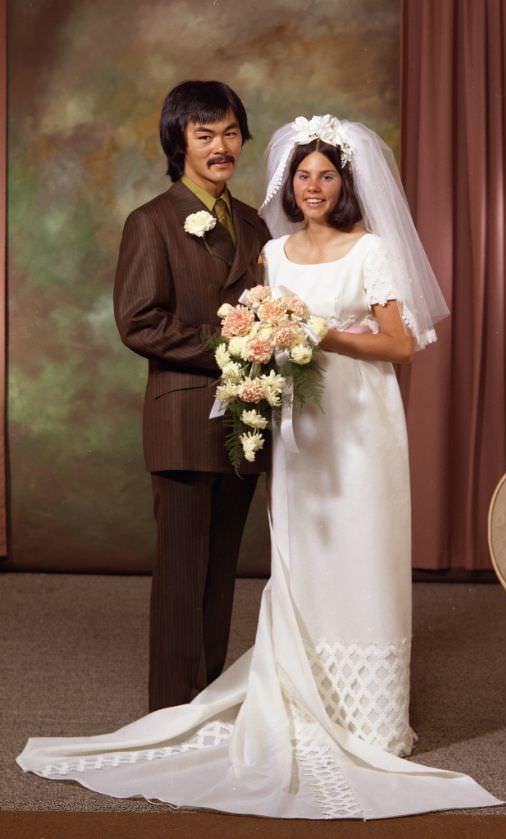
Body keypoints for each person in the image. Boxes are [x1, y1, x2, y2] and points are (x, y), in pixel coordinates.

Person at [17, 116, 502, 819]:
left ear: (346, 183)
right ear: (288, 182)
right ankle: (295, 693)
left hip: (360, 428)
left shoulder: (370, 251)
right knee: (300, 558)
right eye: (303, 175)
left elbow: (400, 344)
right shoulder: (270, 253)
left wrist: (315, 331)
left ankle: (367, 716)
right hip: (299, 431)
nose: (313, 186)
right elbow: (242, 328)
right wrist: (262, 338)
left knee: (361, 552)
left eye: (326, 175)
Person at [113, 80, 270, 711]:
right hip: (182, 423)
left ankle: (202, 704)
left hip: (243, 421)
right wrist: (228, 349)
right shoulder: (151, 221)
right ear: (178, 144)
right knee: (182, 579)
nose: (221, 146)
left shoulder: (256, 223)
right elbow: (139, 321)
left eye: (231, 132)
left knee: (220, 574)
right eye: (205, 135)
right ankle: (169, 716)